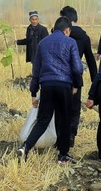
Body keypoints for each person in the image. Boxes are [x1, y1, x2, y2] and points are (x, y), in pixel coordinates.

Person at [19, 17, 83, 164]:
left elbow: (36, 70)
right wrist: (76, 86)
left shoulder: (43, 43)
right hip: (64, 86)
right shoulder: (70, 42)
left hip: (46, 86)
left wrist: (34, 93)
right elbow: (77, 68)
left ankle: (25, 147)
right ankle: (63, 156)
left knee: (43, 120)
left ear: (54, 28)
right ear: (67, 30)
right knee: (64, 120)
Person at [60, 6, 98, 148]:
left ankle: (60, 136)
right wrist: (95, 85)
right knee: (74, 109)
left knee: (59, 107)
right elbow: (91, 61)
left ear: (64, 19)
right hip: (75, 79)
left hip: (59, 77)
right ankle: (71, 135)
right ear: (76, 19)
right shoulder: (83, 37)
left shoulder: (57, 34)